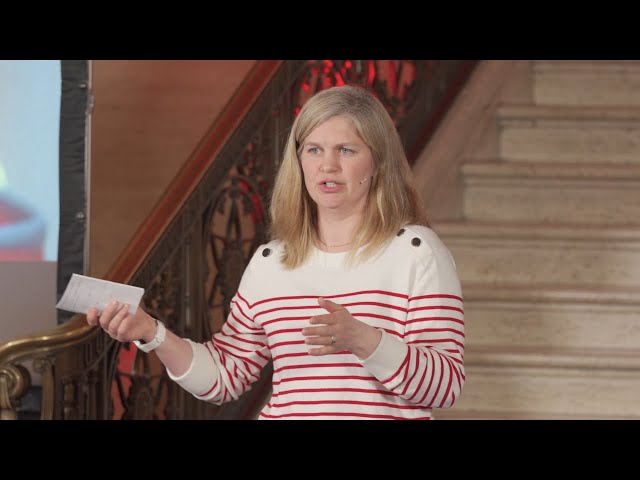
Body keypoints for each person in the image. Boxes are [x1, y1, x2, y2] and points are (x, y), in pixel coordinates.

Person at [86, 85, 465, 420]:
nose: (328, 165)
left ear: (378, 161)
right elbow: (224, 377)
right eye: (314, 149)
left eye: (346, 150)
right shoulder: (272, 262)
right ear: (299, 162)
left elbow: (445, 386)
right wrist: (151, 332)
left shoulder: (416, 252)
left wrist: (364, 339)